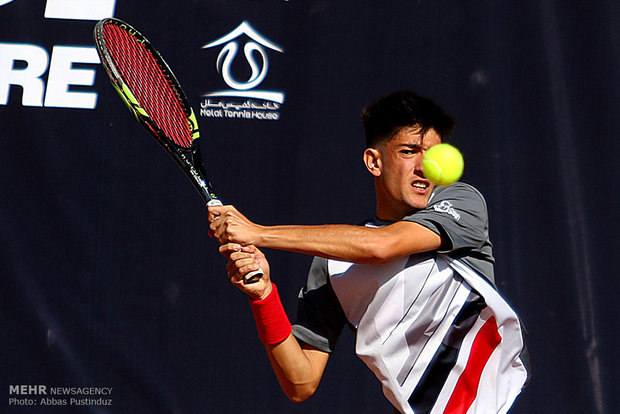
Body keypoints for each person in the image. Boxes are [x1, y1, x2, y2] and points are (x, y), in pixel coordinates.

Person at [208, 90, 529, 414]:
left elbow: (381, 246)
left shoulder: (463, 202)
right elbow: (300, 383)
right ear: (374, 161)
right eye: (409, 151)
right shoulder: (334, 264)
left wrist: (259, 233)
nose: (425, 167)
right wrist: (263, 296)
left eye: (434, 154)